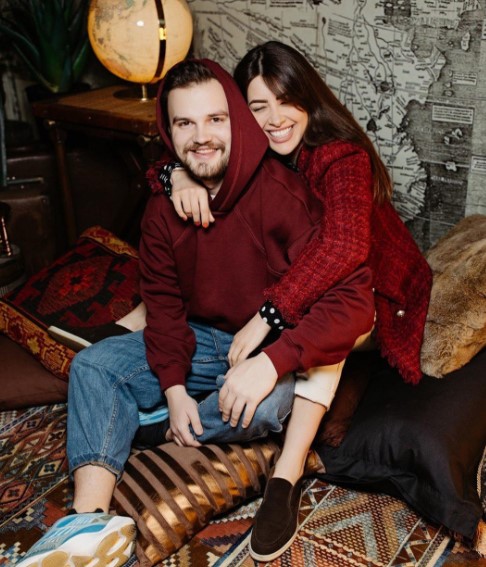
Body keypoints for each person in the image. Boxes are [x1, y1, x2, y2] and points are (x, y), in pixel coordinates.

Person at [21, 58, 374, 566]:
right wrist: (174, 388)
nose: (202, 137)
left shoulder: (282, 195)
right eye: (185, 123)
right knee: (92, 367)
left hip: (270, 343)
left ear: (236, 121)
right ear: (169, 131)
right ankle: (87, 526)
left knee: (271, 405)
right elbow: (163, 306)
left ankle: (153, 426)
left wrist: (272, 360)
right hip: (201, 338)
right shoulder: (163, 206)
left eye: (215, 119)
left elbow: (352, 300)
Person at [50, 41, 432, 387]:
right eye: (258, 107)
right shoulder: (263, 156)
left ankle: (297, 444)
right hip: (311, 282)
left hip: (377, 294)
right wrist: (176, 174)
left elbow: (343, 246)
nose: (275, 119)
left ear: (308, 100)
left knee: (314, 328)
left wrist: (267, 316)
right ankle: (134, 323)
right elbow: (180, 156)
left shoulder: (340, 157)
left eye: (286, 101)